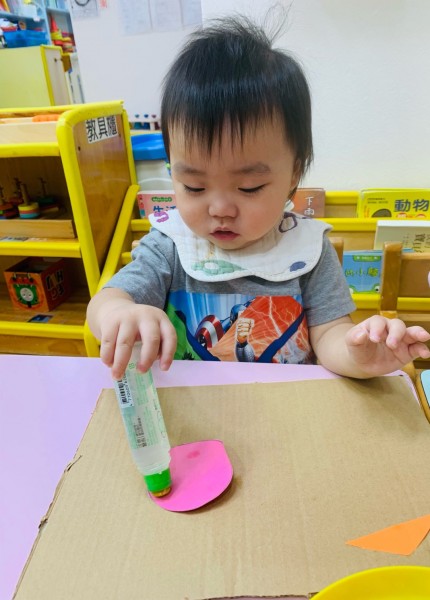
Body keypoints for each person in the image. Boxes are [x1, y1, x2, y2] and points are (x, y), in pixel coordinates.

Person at [87, 15, 430, 379]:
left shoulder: (307, 251)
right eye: (194, 186)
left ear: (294, 173)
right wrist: (118, 314)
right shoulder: (169, 247)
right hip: (192, 405)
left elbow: (330, 334)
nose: (220, 209)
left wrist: (357, 356)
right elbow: (105, 302)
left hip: (284, 405)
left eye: (249, 187)